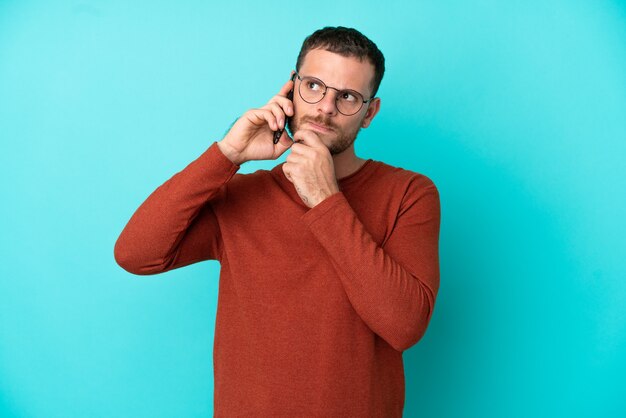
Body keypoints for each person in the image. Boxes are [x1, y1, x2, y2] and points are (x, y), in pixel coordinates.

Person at [114, 26, 441, 418]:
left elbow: (404, 327)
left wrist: (325, 199)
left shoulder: (409, 193)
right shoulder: (241, 194)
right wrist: (226, 154)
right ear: (291, 87)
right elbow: (135, 254)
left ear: (369, 113)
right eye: (314, 86)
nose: (325, 108)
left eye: (348, 97)